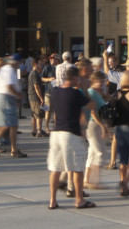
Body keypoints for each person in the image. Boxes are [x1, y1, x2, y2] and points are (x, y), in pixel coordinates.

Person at [46, 66, 97, 210]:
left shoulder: (55, 92)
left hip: (56, 133)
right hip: (71, 134)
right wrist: (85, 89)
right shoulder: (76, 94)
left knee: (55, 169)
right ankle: (79, 200)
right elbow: (92, 105)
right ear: (75, 78)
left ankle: (52, 200)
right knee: (76, 168)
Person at [0, 53, 27, 158]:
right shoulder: (9, 70)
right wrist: (18, 95)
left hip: (3, 98)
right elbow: (9, 86)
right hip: (6, 98)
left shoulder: (4, 69)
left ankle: (11, 149)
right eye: (19, 62)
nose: (19, 65)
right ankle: (12, 150)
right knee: (8, 125)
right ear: (16, 62)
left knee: (7, 125)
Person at [83, 71, 110, 189]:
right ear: (94, 80)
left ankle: (86, 179)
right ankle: (95, 181)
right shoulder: (91, 92)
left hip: (97, 124)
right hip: (93, 125)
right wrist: (103, 126)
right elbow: (93, 112)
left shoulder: (98, 93)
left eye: (103, 81)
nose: (102, 83)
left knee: (92, 152)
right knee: (99, 152)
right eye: (100, 81)